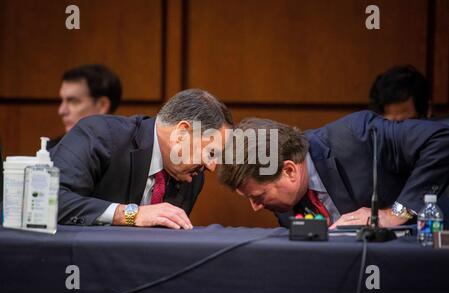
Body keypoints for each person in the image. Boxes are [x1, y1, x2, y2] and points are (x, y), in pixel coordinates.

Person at [218, 111, 449, 229]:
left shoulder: (359, 136)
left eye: (258, 197)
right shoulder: (284, 201)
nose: (256, 207)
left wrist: (395, 214)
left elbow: (441, 140)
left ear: (289, 170)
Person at [50, 89, 233, 229]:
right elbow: (51, 199)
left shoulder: (191, 176)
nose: (212, 166)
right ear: (182, 133)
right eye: (211, 153)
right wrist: (131, 214)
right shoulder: (100, 135)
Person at [47, 64, 122, 149]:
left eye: (73, 101)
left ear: (102, 106)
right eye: (62, 100)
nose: (61, 111)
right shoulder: (52, 151)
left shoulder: (130, 154)